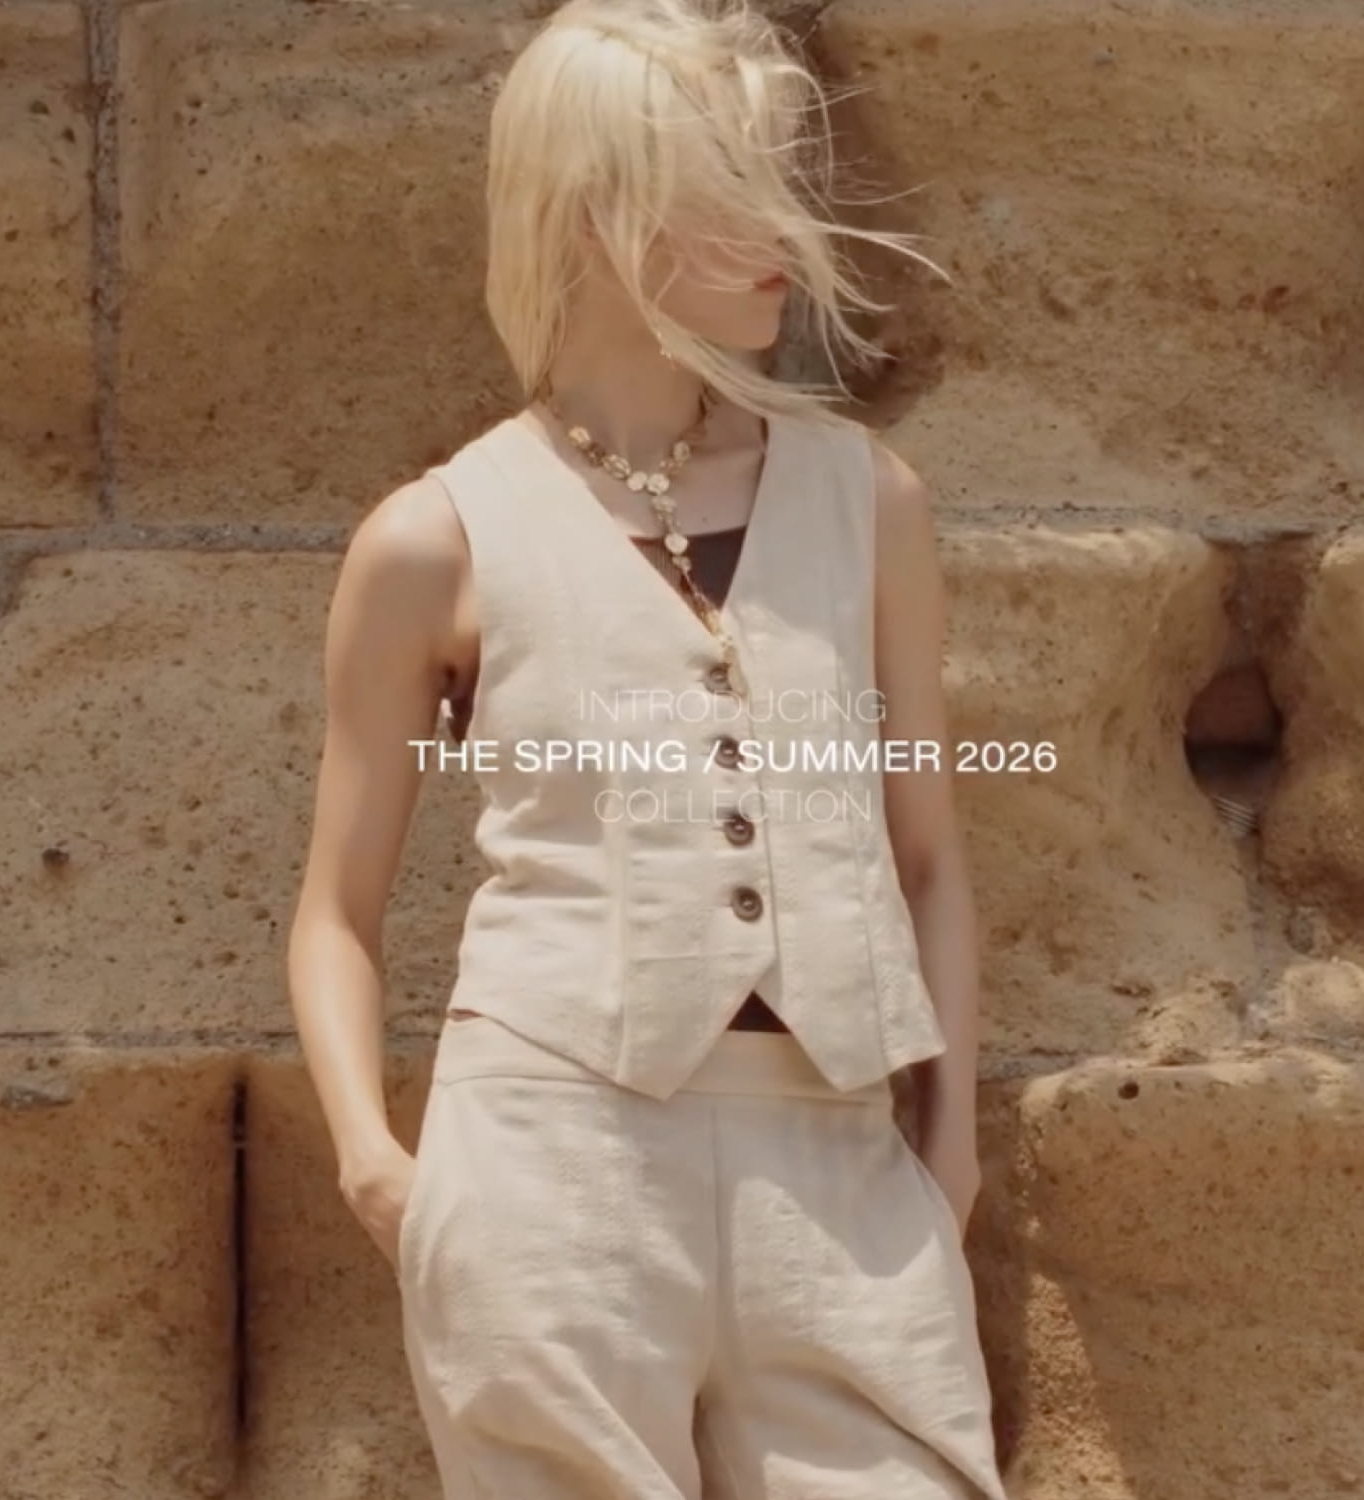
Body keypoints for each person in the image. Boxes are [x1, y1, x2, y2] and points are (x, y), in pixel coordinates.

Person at [286, 1, 1011, 1496]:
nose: (785, 231)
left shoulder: (867, 500)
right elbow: (335, 910)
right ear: (592, 208)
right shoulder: (434, 539)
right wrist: (376, 1164)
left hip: (844, 1170)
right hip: (551, 1164)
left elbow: (929, 856)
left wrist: (949, 1154)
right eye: (729, 188)